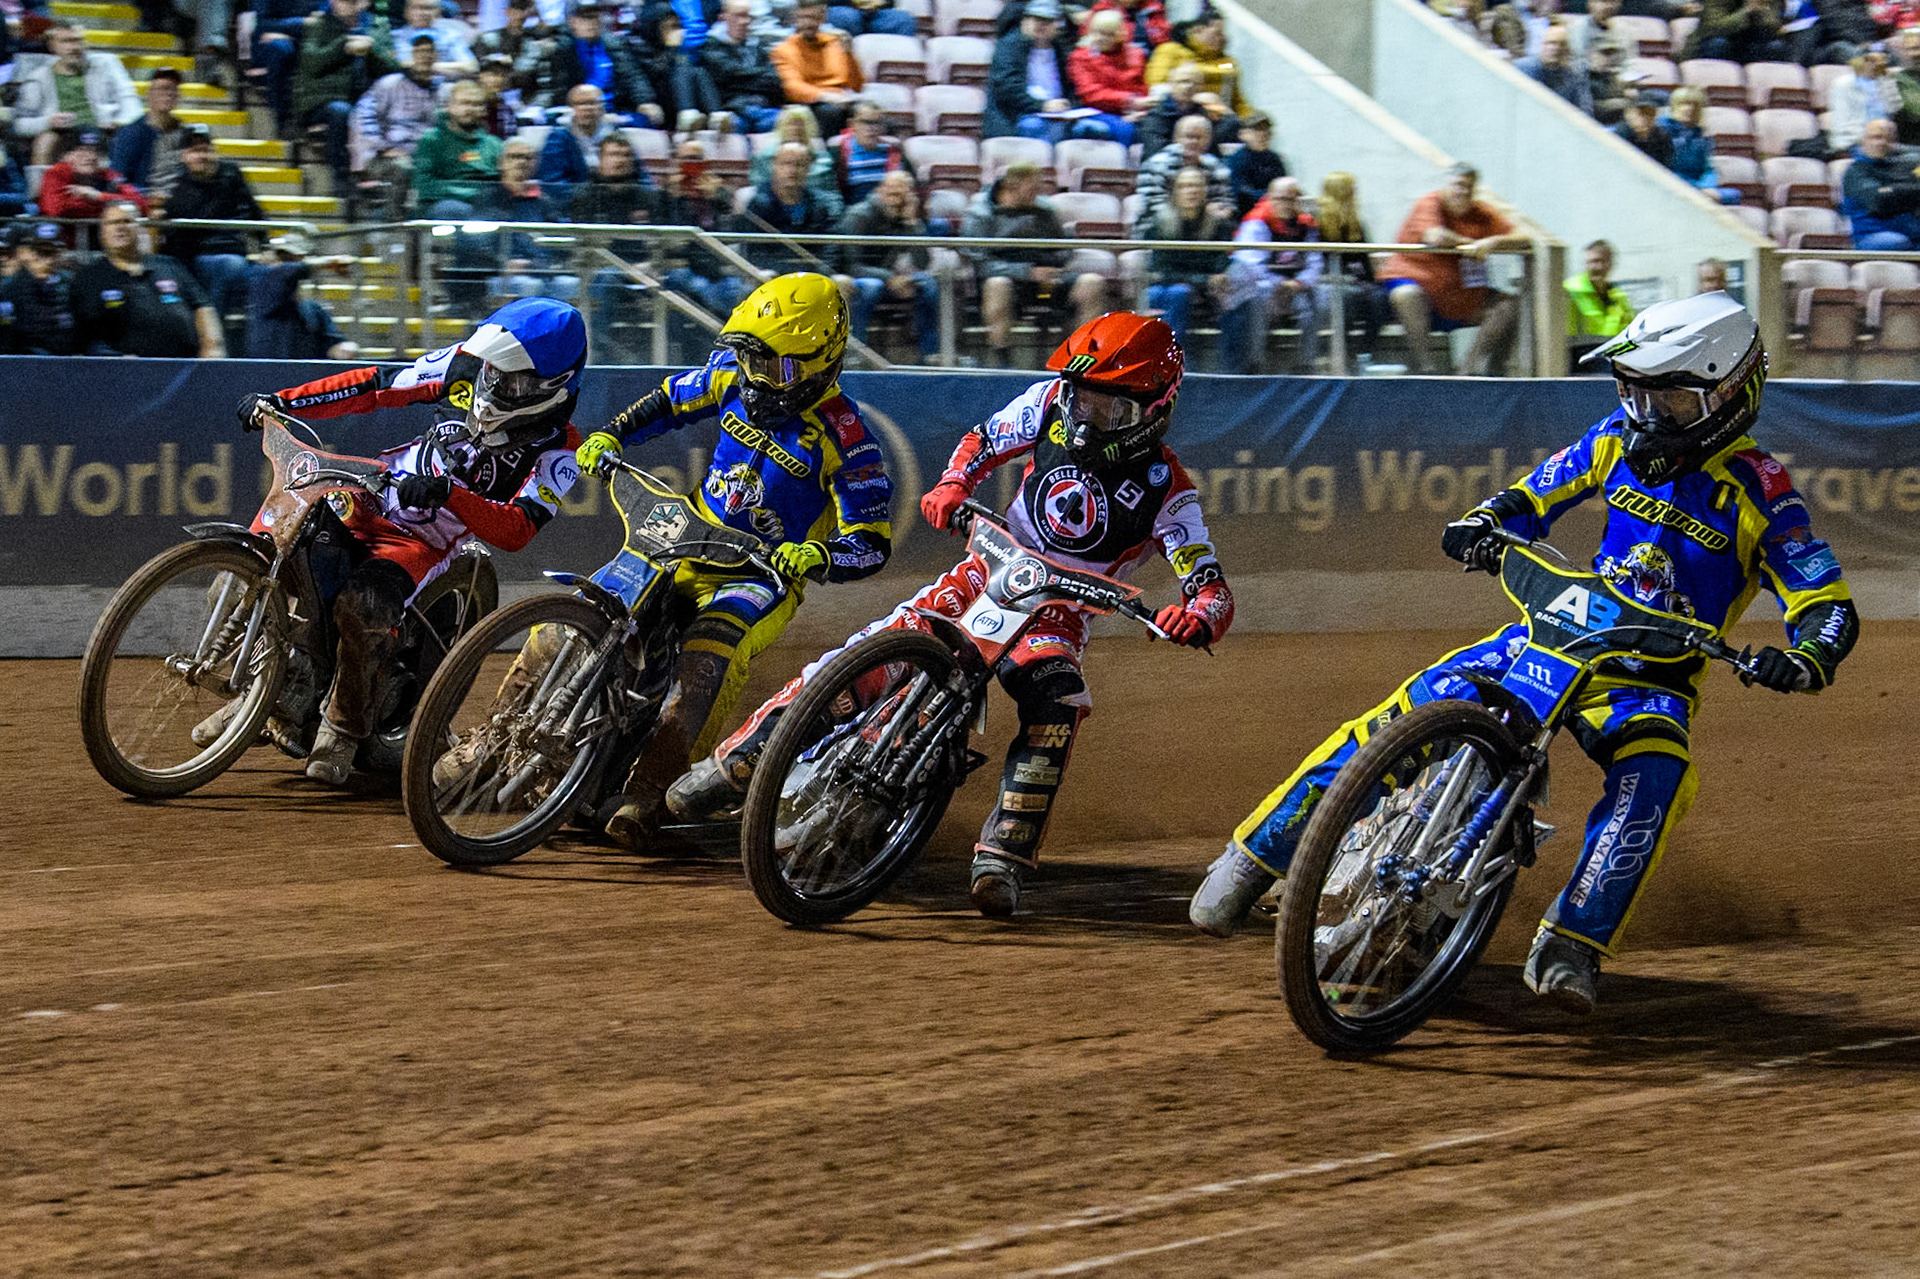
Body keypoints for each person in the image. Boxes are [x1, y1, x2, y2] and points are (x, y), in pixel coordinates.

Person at [1191, 294, 1857, 1015]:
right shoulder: (1610, 441)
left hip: (1648, 677)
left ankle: (1573, 942)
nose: (1646, 414)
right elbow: (1530, 496)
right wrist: (1481, 522)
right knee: (1403, 711)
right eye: (1635, 393)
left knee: (1658, 777)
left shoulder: (1761, 492)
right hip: (1554, 628)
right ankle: (1254, 857)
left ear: (1726, 395)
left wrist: (1806, 656)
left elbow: (1826, 601)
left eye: (1668, 397)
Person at [677, 313, 1233, 916]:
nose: (1086, 415)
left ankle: (1003, 855)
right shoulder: (1049, 402)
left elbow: (1210, 584)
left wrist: (1197, 614)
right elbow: (985, 440)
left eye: (1108, 409)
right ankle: (735, 762)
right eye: (1083, 398)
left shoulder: (1168, 489)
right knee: (875, 649)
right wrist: (952, 483)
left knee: (1060, 702)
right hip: (982, 572)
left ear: (1155, 409)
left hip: (1058, 615)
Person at [568, 272, 894, 844]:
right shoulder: (730, 379)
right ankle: (492, 744)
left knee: (707, 659)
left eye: (774, 368)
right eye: (750, 362)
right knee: (579, 615)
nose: (755, 379)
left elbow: (872, 542)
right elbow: (669, 400)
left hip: (759, 574)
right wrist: (614, 434)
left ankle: (650, 796)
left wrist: (816, 556)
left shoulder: (848, 438)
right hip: (685, 534)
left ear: (821, 362)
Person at [233, 299, 588, 785]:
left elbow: (518, 530)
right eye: (491, 369)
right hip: (371, 494)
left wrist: (453, 495)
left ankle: (342, 729)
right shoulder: (466, 364)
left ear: (552, 385)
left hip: (426, 541)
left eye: (511, 378)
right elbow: (377, 387)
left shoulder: (562, 447)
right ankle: (266, 686)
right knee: (282, 542)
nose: (492, 381)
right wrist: (285, 401)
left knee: (364, 606)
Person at [1379, 162, 1529, 376]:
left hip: (1465, 298)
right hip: (1420, 292)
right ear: (1447, 184)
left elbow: (1523, 237)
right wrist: (1469, 243)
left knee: (1509, 305)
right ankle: (1426, 370)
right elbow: (1435, 236)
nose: (1463, 191)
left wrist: (1493, 242)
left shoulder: (1481, 212)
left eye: (1469, 186)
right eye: (1458, 184)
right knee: (1406, 295)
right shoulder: (1429, 203)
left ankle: (1469, 370)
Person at [962, 160, 1107, 363]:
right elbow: (982, 264)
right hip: (1008, 281)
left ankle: (1080, 359)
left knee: (1092, 284)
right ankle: (1002, 359)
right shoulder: (980, 215)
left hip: (1047, 281)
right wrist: (1027, 272)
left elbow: (1065, 247)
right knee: (997, 285)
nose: (1037, 193)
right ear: (1010, 187)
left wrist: (1055, 265)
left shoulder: (1045, 210)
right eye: (1032, 188)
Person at [72, 201, 224, 358]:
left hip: (185, 367)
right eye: (113, 223)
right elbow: (86, 337)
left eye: (127, 221)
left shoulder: (169, 265)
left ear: (140, 228)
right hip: (126, 372)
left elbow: (202, 306)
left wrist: (213, 345)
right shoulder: (89, 278)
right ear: (102, 233)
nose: (120, 228)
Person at [297, 0, 402, 198]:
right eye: (344, 1)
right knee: (341, 110)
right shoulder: (319, 24)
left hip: (368, 99)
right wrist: (344, 46)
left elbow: (393, 67)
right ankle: (340, 177)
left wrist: (372, 51)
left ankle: (383, 179)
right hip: (324, 98)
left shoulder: (377, 25)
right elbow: (312, 62)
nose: (349, 5)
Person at [162, 124, 265, 323]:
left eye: (206, 150)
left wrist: (266, 246)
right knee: (230, 267)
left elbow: (254, 211)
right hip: (202, 256)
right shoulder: (178, 188)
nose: (202, 156)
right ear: (184, 156)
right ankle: (211, 331)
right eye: (194, 151)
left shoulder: (231, 173)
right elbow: (180, 238)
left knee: (271, 276)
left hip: (235, 252)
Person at [1223, 175, 1322, 374]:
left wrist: (1299, 283)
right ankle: (1254, 365)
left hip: (1293, 286)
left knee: (1320, 300)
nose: (1286, 204)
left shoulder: (1307, 224)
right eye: (1280, 198)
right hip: (1262, 286)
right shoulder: (1257, 221)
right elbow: (1251, 264)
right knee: (1257, 300)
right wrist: (1279, 284)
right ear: (1270, 198)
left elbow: (1315, 262)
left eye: (1291, 199)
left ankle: (1306, 365)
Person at [836, 168, 939, 361]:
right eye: (892, 192)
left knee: (927, 284)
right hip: (853, 279)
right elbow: (852, 264)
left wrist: (911, 223)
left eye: (902, 194)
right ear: (881, 191)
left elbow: (922, 262)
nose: (896, 199)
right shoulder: (859, 215)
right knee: (871, 288)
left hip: (891, 280)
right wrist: (889, 278)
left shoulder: (904, 219)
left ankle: (929, 354)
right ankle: (856, 353)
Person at [10, 19, 143, 167]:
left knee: (141, 131)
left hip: (104, 132)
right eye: (66, 41)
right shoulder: (39, 77)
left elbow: (130, 100)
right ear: (53, 45)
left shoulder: (106, 64)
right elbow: (19, 124)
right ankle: (44, 189)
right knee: (46, 140)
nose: (74, 47)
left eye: (78, 41)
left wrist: (120, 122)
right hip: (66, 137)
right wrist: (49, 121)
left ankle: (124, 186)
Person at [1142, 165, 1232, 355]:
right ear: (1175, 192)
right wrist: (1200, 278)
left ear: (1204, 191)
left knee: (1178, 293)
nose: (1190, 191)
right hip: (1170, 284)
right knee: (1155, 293)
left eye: (1196, 186)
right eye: (1184, 186)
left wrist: (1202, 279)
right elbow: (1159, 270)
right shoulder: (1160, 224)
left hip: (1204, 293)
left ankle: (1173, 359)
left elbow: (1219, 265)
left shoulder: (1218, 225)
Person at [352, 34, 445, 217]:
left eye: (429, 51)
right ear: (411, 55)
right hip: (386, 158)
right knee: (404, 167)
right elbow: (362, 116)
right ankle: (394, 224)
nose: (425, 56)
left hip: (425, 158)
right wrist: (383, 147)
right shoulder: (389, 84)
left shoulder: (441, 91)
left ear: (437, 56)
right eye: (419, 51)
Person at [243, 231, 361, 361]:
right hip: (267, 372)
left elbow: (333, 344)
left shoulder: (312, 309)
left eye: (291, 258)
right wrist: (327, 262)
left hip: (305, 375)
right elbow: (285, 273)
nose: (287, 264)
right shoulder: (260, 285)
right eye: (282, 258)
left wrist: (342, 349)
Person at [1313, 169, 1385, 374]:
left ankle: (1366, 353)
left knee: (1378, 298)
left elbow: (1364, 259)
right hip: (1331, 280)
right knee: (1347, 299)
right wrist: (1350, 280)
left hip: (1356, 281)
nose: (1355, 194)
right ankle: (1341, 355)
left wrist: (1371, 281)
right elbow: (1323, 261)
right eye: (1350, 190)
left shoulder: (1355, 223)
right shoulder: (1319, 223)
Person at [984, 0, 1087, 141]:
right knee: (1040, 128)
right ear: (1024, 21)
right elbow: (1008, 89)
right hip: (1019, 116)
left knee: (1092, 129)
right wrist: (1042, 105)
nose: (1040, 25)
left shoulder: (1062, 51)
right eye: (1035, 19)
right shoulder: (1009, 47)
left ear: (1057, 25)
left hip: (1060, 114)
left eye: (1047, 21)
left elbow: (1072, 86)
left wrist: (1069, 104)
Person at [550, 0, 662, 123]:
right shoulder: (563, 48)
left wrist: (645, 101)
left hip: (614, 111)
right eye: (584, 18)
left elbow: (632, 75)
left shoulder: (613, 44)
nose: (591, 23)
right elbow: (559, 90)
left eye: (594, 17)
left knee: (646, 119)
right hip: (576, 111)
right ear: (572, 21)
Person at [741, 141, 841, 273]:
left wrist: (832, 274)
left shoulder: (819, 205)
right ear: (774, 166)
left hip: (813, 276)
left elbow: (831, 246)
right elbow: (754, 252)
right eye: (786, 163)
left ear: (808, 169)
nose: (792, 170)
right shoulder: (759, 204)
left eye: (799, 165)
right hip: (772, 277)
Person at [414, 80, 505, 217]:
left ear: (483, 110)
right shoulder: (432, 139)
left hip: (488, 205)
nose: (470, 109)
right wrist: (470, 193)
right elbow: (424, 186)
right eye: (465, 103)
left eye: (477, 104)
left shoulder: (495, 144)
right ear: (450, 106)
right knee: (457, 211)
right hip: (444, 205)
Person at [771, 0, 864, 134]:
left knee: (871, 113)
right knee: (830, 112)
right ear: (796, 18)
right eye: (805, 17)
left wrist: (849, 54)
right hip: (811, 103)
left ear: (823, 18)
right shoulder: (783, 50)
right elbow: (792, 88)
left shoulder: (835, 43)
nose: (809, 23)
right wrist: (826, 96)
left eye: (814, 18)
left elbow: (857, 86)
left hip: (843, 100)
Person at [1132, 113, 1234, 234]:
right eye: (1188, 137)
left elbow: (1226, 202)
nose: (1193, 142)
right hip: (1156, 230)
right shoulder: (1155, 165)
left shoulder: (1217, 168)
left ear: (1208, 140)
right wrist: (1191, 212)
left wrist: (1221, 210)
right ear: (1176, 138)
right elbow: (1153, 205)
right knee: (1167, 216)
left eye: (1198, 137)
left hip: (1203, 231)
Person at [1144, 7, 1250, 116]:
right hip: (1176, 113)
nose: (1221, 38)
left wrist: (1251, 119)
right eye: (1217, 33)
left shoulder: (1226, 62)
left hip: (1219, 117)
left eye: (1222, 34)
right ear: (1198, 30)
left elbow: (1238, 100)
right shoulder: (1170, 50)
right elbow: (1156, 84)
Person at [1067, 8, 1149, 148]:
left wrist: (1139, 110)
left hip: (1133, 111)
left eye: (1106, 34)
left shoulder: (1136, 55)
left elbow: (1142, 88)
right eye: (1095, 32)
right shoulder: (1080, 57)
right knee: (1124, 129)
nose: (1099, 38)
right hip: (1096, 111)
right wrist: (1129, 100)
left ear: (1120, 35)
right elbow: (1090, 94)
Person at [634, 3, 723, 132]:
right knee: (682, 66)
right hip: (659, 100)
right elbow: (654, 74)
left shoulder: (681, 51)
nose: (676, 32)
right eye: (670, 27)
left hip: (683, 98)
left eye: (677, 27)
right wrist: (672, 49)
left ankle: (716, 116)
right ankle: (687, 114)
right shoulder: (643, 48)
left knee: (699, 70)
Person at [703, 0, 787, 133]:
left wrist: (740, 79)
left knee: (791, 123)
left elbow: (774, 80)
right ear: (724, 17)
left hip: (764, 109)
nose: (745, 21)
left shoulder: (758, 48)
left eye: (748, 16)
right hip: (733, 111)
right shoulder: (711, 48)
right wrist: (759, 75)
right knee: (730, 128)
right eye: (739, 15)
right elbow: (727, 75)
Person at [0, 221, 81, 355]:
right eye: (39, 251)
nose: (44, 258)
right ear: (28, 252)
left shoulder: (72, 286)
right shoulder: (10, 289)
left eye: (50, 251)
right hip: (20, 365)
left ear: (60, 252)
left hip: (65, 363)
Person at [37, 130, 149, 225]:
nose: (91, 157)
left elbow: (142, 205)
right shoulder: (57, 173)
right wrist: (111, 209)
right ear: (67, 155)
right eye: (82, 150)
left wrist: (98, 196)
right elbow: (56, 210)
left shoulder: (108, 175)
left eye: (94, 151)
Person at [749, 106, 845, 214]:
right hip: (772, 210)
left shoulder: (823, 160)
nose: (796, 129)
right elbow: (759, 188)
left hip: (817, 213)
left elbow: (831, 194)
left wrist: (834, 216)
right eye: (791, 124)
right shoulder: (766, 157)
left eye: (801, 124)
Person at [1841, 117, 1920, 248]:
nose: (1881, 143)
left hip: (1911, 234)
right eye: (1876, 137)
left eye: (1888, 139)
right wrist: (1911, 192)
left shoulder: (1905, 164)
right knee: (1896, 242)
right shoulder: (1856, 171)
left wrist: (1898, 191)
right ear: (1864, 140)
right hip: (1871, 236)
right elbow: (1879, 200)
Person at [109, 68, 187, 198]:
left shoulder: (184, 133)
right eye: (162, 89)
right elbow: (118, 178)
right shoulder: (131, 133)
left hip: (179, 203)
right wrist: (146, 196)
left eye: (173, 89)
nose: (168, 94)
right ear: (149, 94)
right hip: (144, 202)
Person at [537, 83, 619, 200]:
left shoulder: (615, 134)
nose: (587, 109)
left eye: (592, 103)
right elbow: (553, 184)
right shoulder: (557, 138)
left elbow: (638, 175)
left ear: (603, 108)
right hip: (573, 205)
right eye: (581, 104)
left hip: (613, 201)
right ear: (571, 108)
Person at [1135, 60, 1234, 158]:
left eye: (1196, 83)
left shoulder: (1205, 113)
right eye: (1183, 81)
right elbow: (1155, 152)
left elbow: (1232, 130)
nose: (1189, 87)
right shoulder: (1156, 116)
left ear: (1201, 88)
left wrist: (1222, 108)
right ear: (1171, 84)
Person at [474, 0, 561, 106]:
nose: (519, 15)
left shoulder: (534, 44)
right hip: (490, 99)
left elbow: (540, 82)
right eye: (515, 11)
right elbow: (480, 71)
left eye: (522, 11)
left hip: (526, 101)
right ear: (507, 11)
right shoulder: (488, 39)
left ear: (527, 14)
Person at [829, 98, 913, 206]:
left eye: (876, 123)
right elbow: (832, 193)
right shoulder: (839, 152)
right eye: (865, 122)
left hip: (889, 209)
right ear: (852, 124)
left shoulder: (894, 152)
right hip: (855, 213)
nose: (871, 128)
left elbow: (910, 189)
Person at [1566, 237, 1634, 362]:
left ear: (1611, 264)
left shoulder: (1619, 298)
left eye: (1603, 261)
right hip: (1578, 363)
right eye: (1593, 261)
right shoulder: (1570, 291)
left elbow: (1630, 335)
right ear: (1585, 264)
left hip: (1612, 362)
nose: (1598, 267)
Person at [1515, 23, 1595, 114]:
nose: (1556, 48)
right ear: (1542, 45)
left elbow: (1585, 111)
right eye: (1551, 43)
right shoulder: (1523, 68)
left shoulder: (1575, 76)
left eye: (1562, 44)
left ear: (1567, 49)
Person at [1828, 49, 1895, 153]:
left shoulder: (1885, 82)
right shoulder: (1843, 85)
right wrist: (1870, 138)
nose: (1876, 65)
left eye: (1880, 60)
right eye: (1871, 61)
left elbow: (1892, 113)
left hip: (1885, 141)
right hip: (1854, 143)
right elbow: (1842, 125)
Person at [1224, 110, 1285, 218]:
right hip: (1247, 215)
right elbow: (1240, 192)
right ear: (1243, 134)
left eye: (1266, 129)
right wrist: (1270, 198)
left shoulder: (1274, 159)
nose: (1263, 133)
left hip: (1274, 213)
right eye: (1257, 129)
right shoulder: (1238, 159)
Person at [1684, 0, 1788, 63]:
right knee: (1719, 44)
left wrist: (1760, 11)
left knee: (1776, 46)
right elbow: (1715, 26)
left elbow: (1774, 24)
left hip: (1752, 40)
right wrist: (1747, 11)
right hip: (1718, 38)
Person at [392, 0, 478, 76]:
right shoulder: (396, 37)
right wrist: (445, 68)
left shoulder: (450, 36)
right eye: (416, 8)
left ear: (439, 12)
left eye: (429, 8)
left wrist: (429, 67)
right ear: (406, 12)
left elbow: (471, 66)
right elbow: (399, 65)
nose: (423, 13)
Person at [1661, 87, 1722, 194]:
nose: (1689, 109)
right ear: (1674, 106)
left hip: (1698, 186)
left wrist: (1708, 186)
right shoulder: (1661, 130)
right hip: (1673, 183)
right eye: (1683, 104)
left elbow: (1708, 169)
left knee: (1734, 194)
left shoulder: (1702, 136)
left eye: (1694, 105)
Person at [826, 0, 918, 36]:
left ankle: (894, 72)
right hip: (838, 9)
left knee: (904, 20)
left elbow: (890, 3)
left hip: (875, 13)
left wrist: (879, 3)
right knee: (849, 17)